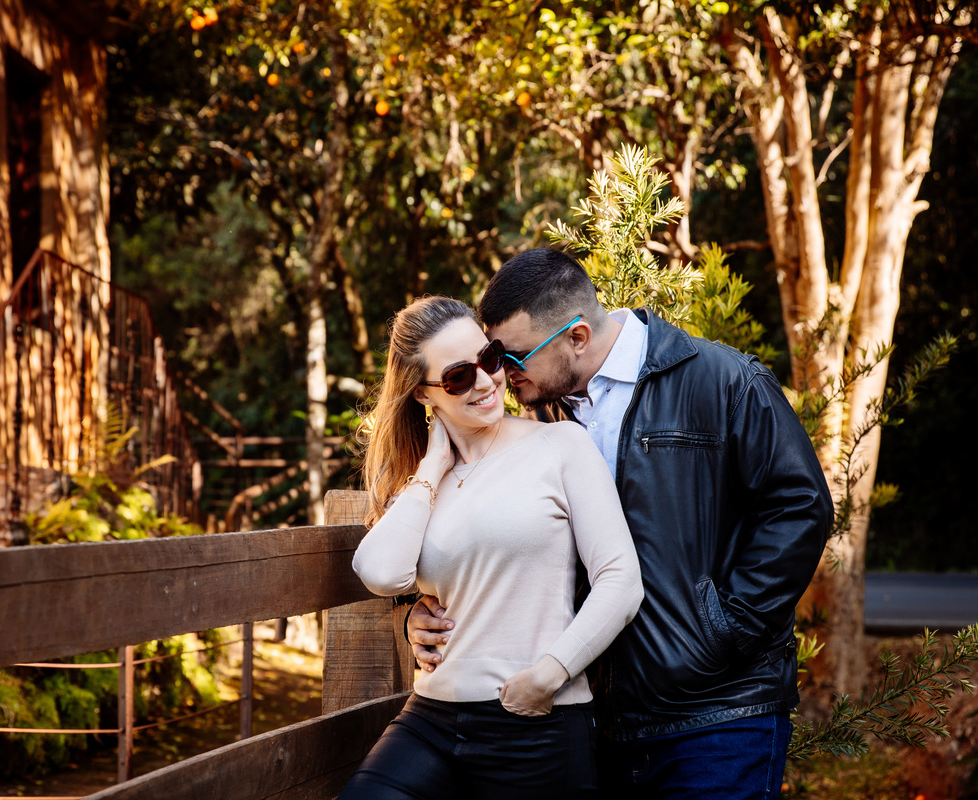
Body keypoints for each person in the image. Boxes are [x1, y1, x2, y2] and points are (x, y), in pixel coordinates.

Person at [407, 249, 834, 799]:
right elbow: (484, 537)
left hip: (717, 718)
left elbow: (800, 508)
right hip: (592, 720)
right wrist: (422, 612)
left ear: (576, 338)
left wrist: (721, 631)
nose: (499, 377)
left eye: (511, 358)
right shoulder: (532, 413)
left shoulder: (726, 382)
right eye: (491, 357)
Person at [340, 295, 642, 799]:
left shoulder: (560, 446)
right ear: (423, 395)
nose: (485, 381)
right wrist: (433, 467)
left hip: (536, 718)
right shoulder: (422, 486)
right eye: (458, 377)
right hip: (431, 717)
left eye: (490, 358)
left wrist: (550, 675)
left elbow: (621, 580)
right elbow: (379, 572)